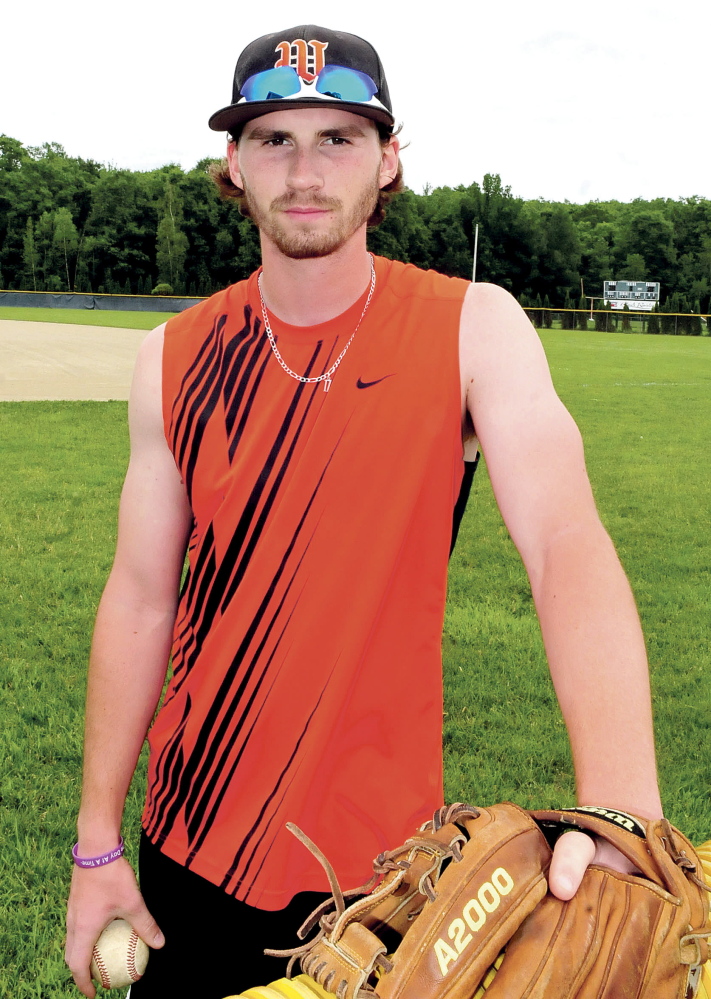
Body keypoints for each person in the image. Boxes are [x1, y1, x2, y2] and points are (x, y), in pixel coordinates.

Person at [65, 24, 663, 999]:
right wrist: (97, 846)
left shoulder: (473, 328)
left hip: (385, 885)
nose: (305, 169)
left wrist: (626, 805)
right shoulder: (173, 358)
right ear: (234, 163)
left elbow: (566, 545)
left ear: (387, 159)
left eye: (338, 138)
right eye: (274, 139)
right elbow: (139, 600)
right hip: (187, 854)